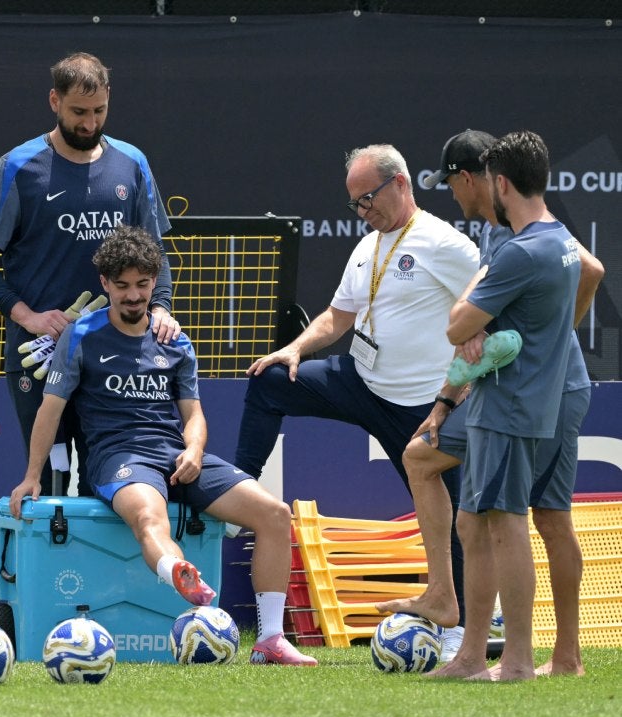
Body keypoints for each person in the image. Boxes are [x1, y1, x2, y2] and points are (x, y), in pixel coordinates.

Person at [10, 225, 316, 666]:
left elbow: (193, 416)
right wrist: (31, 477)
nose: (133, 296)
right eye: (122, 286)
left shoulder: (176, 341)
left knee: (275, 514)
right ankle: (178, 572)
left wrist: (193, 452)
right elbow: (50, 410)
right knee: (150, 518)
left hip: (175, 455)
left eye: (141, 285)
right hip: (118, 458)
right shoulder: (81, 336)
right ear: (105, 285)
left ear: (154, 282)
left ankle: (271, 639)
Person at [234, 143, 479, 655]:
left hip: (421, 407)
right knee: (269, 381)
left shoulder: (446, 244)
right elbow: (337, 318)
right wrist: (295, 348)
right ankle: (238, 496)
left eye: (368, 200)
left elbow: (487, 308)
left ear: (401, 184)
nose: (363, 213)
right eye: (355, 205)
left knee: (453, 517)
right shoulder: (367, 247)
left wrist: (462, 390)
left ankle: (458, 633)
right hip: (361, 382)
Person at [378, 130, 602, 676]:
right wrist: (446, 401)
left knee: (522, 519)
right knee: (455, 489)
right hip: (532, 389)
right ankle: (470, 635)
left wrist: (540, 336)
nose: (451, 195)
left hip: (530, 394)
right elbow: (582, 272)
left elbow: (463, 324)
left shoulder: (521, 238)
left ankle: (522, 656)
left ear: (479, 179)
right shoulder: (526, 235)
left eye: (451, 182)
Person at [0, 52, 178, 497]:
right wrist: (28, 317)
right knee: (48, 482)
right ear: (54, 101)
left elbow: (155, 252)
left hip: (115, 352)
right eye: (78, 112)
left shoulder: (132, 163)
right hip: (40, 352)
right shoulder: (17, 167)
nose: (89, 123)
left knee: (113, 477)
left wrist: (161, 308)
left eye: (99, 111)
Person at [434, 131, 581, 682]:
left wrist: (476, 309)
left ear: (500, 183)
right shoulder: (560, 238)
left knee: (506, 525)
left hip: (510, 404)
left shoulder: (521, 252)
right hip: (524, 400)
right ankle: (472, 655)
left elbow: (455, 327)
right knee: (476, 519)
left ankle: (516, 660)